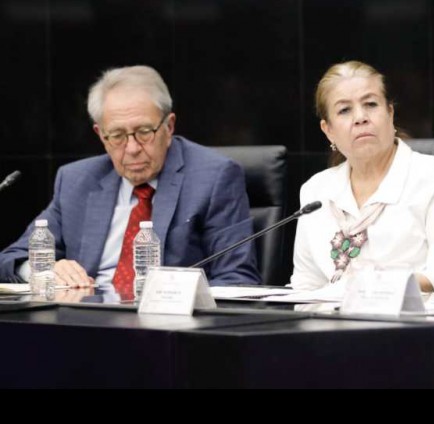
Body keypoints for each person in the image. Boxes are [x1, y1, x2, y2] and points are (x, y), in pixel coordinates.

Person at [0, 66, 260, 293]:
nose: (132, 148)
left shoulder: (213, 177)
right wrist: (44, 270)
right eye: (117, 136)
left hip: (169, 325)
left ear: (169, 127)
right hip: (84, 319)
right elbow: (10, 259)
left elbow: (237, 278)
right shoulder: (76, 181)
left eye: (144, 132)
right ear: (101, 135)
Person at [291, 61, 434, 293]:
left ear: (390, 113)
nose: (360, 117)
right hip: (333, 315)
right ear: (328, 130)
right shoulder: (315, 191)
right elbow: (306, 286)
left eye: (371, 104)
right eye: (344, 110)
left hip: (417, 314)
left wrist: (375, 288)